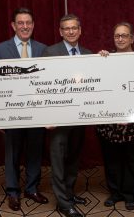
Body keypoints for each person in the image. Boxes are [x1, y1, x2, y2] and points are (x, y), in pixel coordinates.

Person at [0, 7, 48, 211]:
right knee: (12, 154)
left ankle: (32, 189)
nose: (25, 26)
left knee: (35, 152)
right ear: (13, 26)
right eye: (21, 23)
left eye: (28, 23)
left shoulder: (43, 49)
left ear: (33, 25)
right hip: (11, 114)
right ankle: (13, 192)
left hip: (36, 113)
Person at [97, 22, 134, 210]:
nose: (120, 39)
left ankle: (131, 194)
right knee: (112, 160)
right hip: (110, 123)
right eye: (117, 36)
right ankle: (115, 193)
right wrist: (96, 62)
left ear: (132, 38)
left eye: (124, 35)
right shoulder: (105, 59)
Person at [41, 14, 92, 217]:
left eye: (74, 28)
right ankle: (63, 203)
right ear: (61, 32)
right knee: (59, 161)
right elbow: (42, 86)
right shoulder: (49, 52)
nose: (70, 31)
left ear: (80, 30)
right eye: (66, 28)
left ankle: (69, 193)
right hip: (58, 120)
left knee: (73, 158)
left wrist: (104, 60)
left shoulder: (89, 54)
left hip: (80, 118)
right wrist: (46, 116)